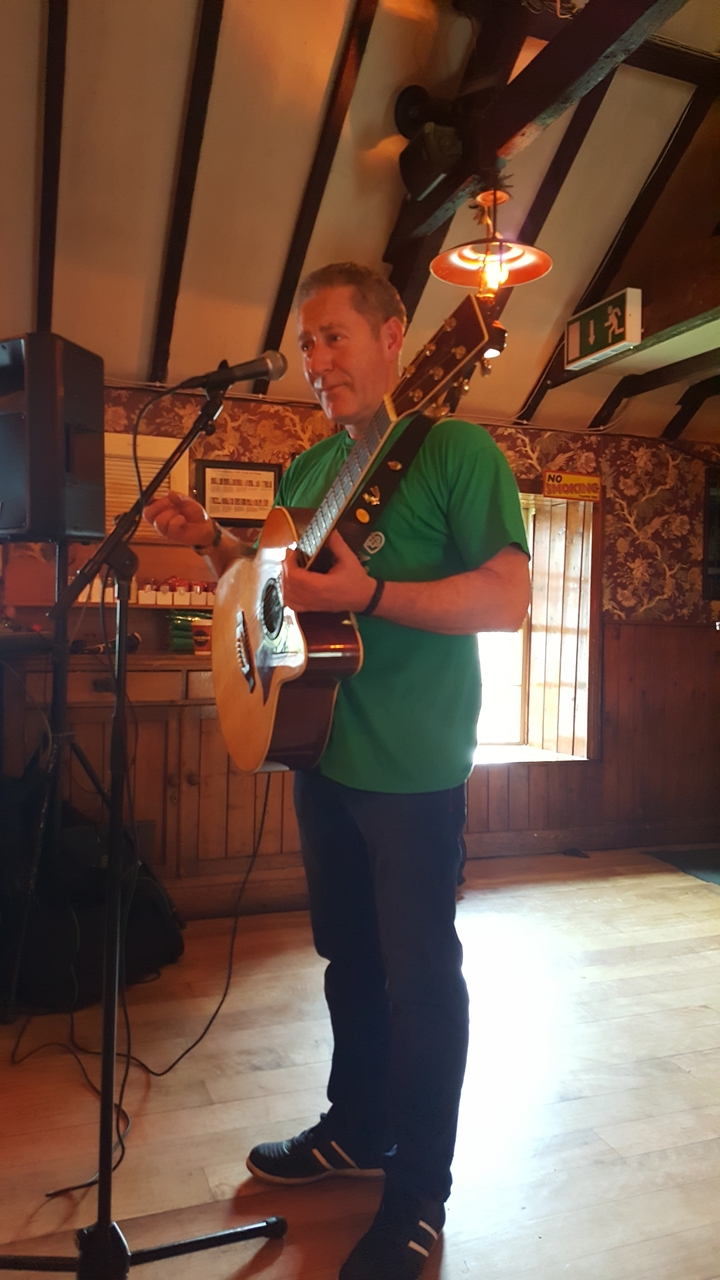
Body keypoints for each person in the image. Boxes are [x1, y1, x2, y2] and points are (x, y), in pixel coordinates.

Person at [144, 262, 530, 1280]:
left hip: (412, 768)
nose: (316, 361)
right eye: (307, 344)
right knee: (346, 959)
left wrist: (377, 593)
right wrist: (217, 546)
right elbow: (276, 601)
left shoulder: (457, 451)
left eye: (334, 336)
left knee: (419, 977)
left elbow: (505, 599)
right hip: (321, 753)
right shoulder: (310, 477)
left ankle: (418, 1192)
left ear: (401, 338)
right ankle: (356, 1127)